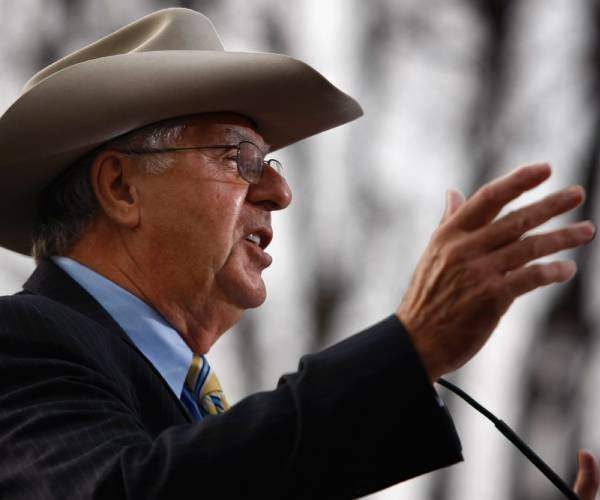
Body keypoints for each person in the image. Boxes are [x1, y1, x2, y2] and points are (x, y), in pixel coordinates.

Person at [0, 7, 597, 499]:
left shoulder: (182, 406)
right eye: (240, 159)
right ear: (122, 188)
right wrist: (410, 352)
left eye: (271, 164)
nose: (280, 192)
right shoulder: (19, 341)